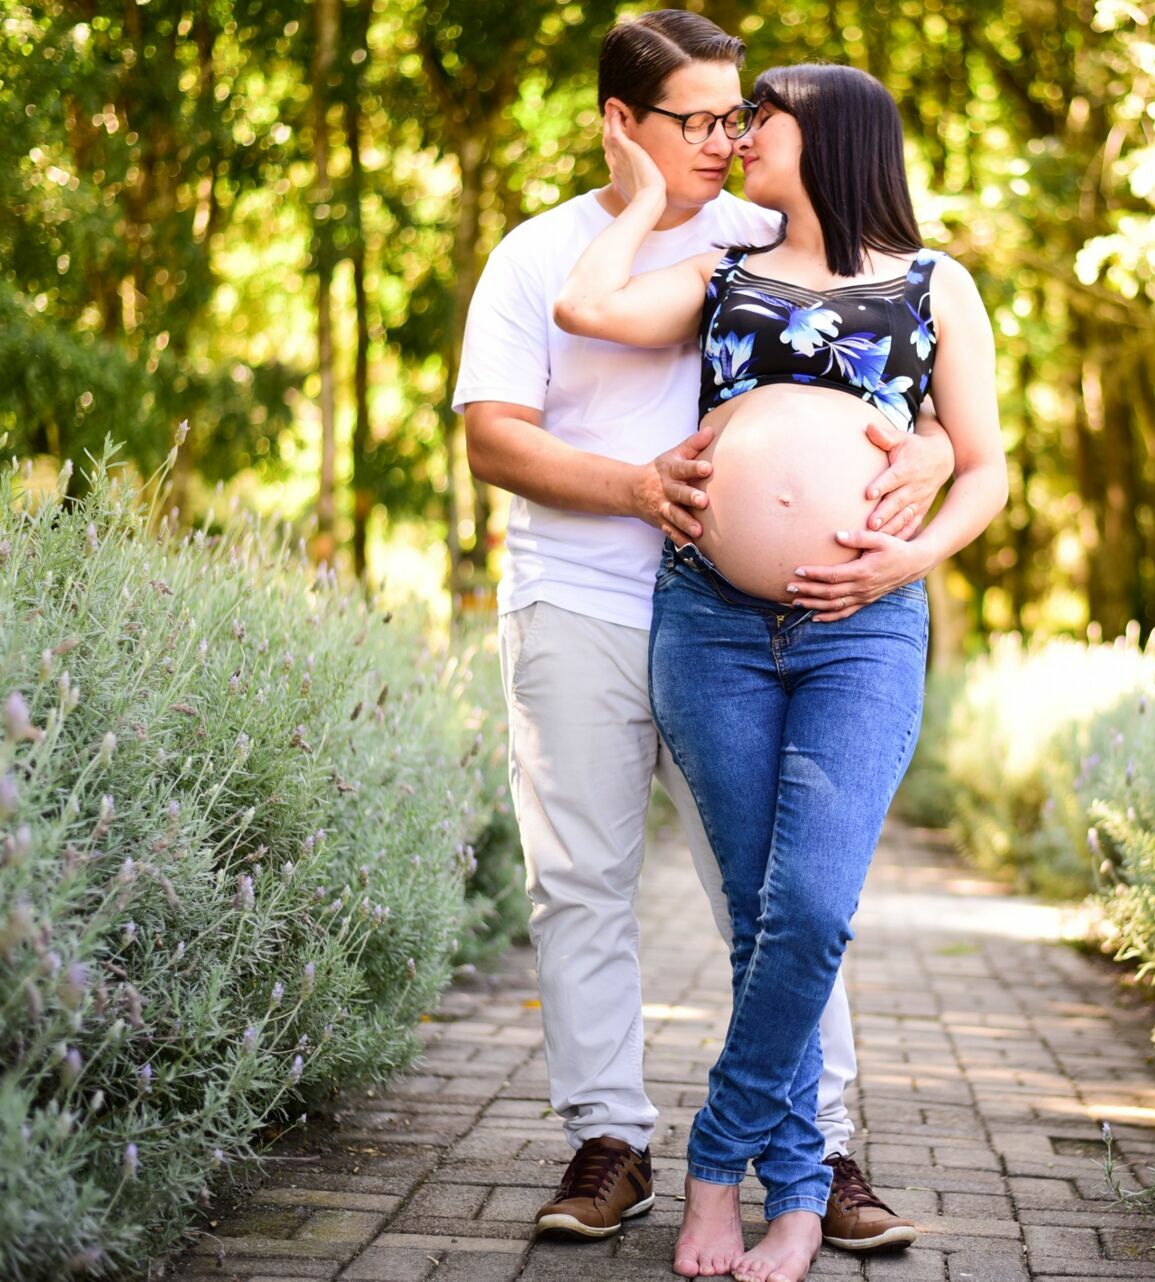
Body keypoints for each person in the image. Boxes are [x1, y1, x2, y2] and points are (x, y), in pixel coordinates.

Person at [452, 10, 949, 1256]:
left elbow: (903, 367)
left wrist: (930, 460)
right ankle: (610, 1138)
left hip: (738, 618)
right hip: (578, 600)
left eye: (741, 116)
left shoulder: (761, 232)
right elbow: (492, 435)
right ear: (622, 124)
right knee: (580, 882)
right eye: (700, 119)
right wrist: (631, 489)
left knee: (780, 896)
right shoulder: (538, 254)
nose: (729, 141)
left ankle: (820, 1148)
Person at [555, 61, 1008, 1282]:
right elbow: (589, 310)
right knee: (763, 918)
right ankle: (799, 1196)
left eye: (766, 120)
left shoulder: (934, 283)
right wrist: (645, 197)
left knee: (809, 907)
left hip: (864, 625)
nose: (743, 136)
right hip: (708, 621)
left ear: (838, 139)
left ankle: (716, 1162)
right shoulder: (720, 269)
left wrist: (902, 554)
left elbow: (987, 470)